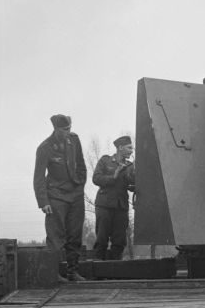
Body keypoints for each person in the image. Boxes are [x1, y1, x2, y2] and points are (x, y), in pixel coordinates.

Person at [33, 114, 87, 282]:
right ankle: (51, 275)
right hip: (56, 196)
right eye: (65, 129)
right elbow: (39, 177)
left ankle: (73, 272)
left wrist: (80, 184)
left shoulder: (74, 140)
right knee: (56, 237)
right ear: (55, 129)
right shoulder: (45, 147)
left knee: (75, 235)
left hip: (75, 194)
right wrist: (43, 202)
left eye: (70, 128)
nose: (68, 131)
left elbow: (81, 164)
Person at [92, 135, 135, 260]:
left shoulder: (130, 166)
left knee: (119, 241)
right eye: (129, 148)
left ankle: (115, 269)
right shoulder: (105, 161)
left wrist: (134, 180)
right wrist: (113, 177)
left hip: (120, 206)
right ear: (120, 148)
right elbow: (96, 179)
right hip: (104, 205)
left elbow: (132, 183)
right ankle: (98, 268)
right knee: (102, 238)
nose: (131, 151)